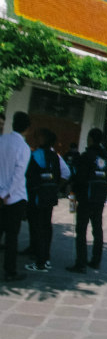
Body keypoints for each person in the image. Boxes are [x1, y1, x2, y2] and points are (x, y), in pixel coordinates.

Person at [68, 128, 107, 273]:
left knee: (81, 230)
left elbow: (79, 179)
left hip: (86, 197)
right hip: (100, 197)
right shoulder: (104, 157)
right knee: (97, 229)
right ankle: (96, 260)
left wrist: (72, 199)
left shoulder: (86, 156)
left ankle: (80, 263)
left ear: (90, 139)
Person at [25, 128, 70, 272]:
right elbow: (58, 176)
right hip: (49, 196)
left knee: (38, 227)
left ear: (44, 139)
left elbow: (29, 177)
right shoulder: (54, 156)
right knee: (46, 227)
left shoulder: (37, 155)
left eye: (39, 137)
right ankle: (46, 258)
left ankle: (40, 262)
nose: (36, 139)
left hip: (38, 196)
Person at [0, 112, 31, 282]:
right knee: (12, 237)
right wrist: (5, 193)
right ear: (27, 128)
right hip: (14, 197)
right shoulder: (24, 147)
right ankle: (10, 271)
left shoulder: (1, 140)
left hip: (1, 194)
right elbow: (18, 175)